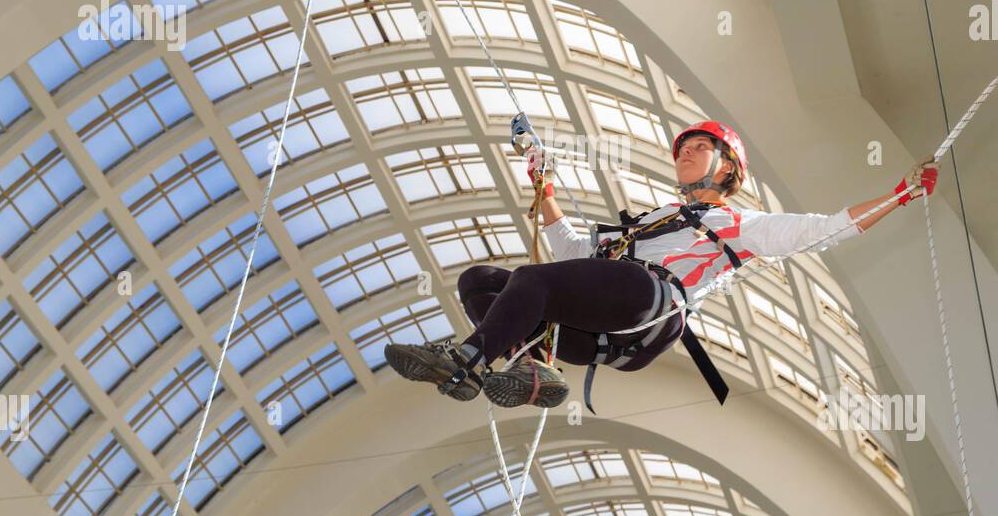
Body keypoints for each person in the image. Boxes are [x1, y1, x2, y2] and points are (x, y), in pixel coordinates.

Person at [384, 118, 938, 409]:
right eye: (682, 148)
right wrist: (544, 187)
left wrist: (899, 194)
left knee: (534, 282)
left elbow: (818, 231)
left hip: (646, 304)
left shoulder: (733, 225)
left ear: (728, 170)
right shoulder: (649, 221)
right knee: (483, 281)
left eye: (700, 147)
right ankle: (531, 372)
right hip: (596, 332)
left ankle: (465, 360)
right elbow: (574, 256)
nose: (685, 153)